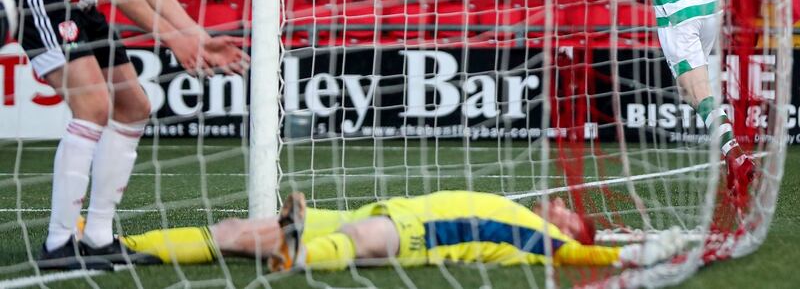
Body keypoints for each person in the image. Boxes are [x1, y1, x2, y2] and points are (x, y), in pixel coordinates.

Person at [4, 0, 252, 270]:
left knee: (135, 106)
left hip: (80, 3)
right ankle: (59, 243)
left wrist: (198, 35)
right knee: (94, 106)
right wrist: (174, 41)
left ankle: (99, 238)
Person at [546, 0, 765, 205]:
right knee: (689, 90)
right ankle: (728, 150)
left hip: (679, 19)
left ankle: (734, 156)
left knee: (698, 91)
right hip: (708, 10)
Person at [107, 191, 685, 271]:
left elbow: (576, 257)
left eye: (565, 208)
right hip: (393, 207)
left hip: (414, 233)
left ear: (568, 226)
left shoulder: (542, 240)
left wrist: (638, 251)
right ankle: (122, 245)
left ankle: (296, 253)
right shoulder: (527, 213)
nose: (556, 202)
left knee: (364, 243)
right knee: (234, 226)